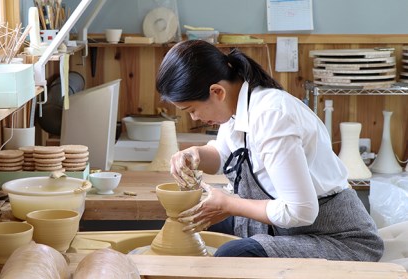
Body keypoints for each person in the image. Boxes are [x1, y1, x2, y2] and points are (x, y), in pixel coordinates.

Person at [155, 40, 384, 261]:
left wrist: (228, 204)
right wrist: (195, 154)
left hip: (336, 235)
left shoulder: (272, 114)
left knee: (232, 256)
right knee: (184, 224)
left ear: (217, 92)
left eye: (191, 109)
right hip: (281, 226)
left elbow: (300, 211)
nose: (194, 117)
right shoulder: (237, 107)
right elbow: (223, 154)